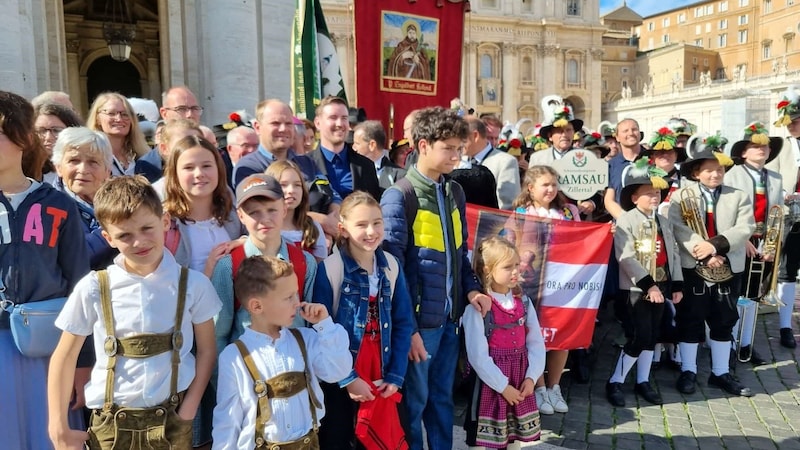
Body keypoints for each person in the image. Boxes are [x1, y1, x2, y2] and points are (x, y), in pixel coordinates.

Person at [47, 175, 221, 450]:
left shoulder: (193, 284)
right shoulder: (95, 286)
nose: (139, 241)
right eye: (125, 235)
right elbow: (64, 355)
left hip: (172, 422)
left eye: (147, 228)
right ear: (108, 238)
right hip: (111, 427)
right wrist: (57, 426)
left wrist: (189, 409)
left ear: (164, 222)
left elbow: (207, 350)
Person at [381, 106, 490, 450]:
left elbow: (460, 254)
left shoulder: (454, 192)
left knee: (442, 400)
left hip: (449, 321)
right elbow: (390, 272)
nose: (457, 156)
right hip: (418, 325)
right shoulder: (400, 196)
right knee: (413, 404)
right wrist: (408, 329)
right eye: (449, 148)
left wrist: (471, 290)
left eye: (460, 148)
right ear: (423, 145)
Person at [0, 90, 89, 450]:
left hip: (52, 350)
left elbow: (81, 287)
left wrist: (82, 364)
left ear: (23, 138)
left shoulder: (58, 206)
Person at [212, 255, 352, 450]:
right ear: (257, 306)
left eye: (296, 293)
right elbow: (227, 424)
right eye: (288, 297)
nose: (297, 302)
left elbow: (339, 371)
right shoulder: (235, 357)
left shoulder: (306, 340)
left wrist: (325, 325)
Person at [314, 191, 414, 449]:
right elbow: (319, 329)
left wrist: (395, 375)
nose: (371, 231)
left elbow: (403, 322)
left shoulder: (391, 266)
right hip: (343, 375)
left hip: (382, 370)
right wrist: (348, 379)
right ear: (343, 229)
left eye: (377, 222)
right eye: (361, 224)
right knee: (341, 437)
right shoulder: (330, 269)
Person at [667, 133, 755, 397]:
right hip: (693, 265)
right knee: (690, 318)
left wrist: (716, 246)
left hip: (728, 264)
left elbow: (746, 227)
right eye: (709, 170)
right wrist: (703, 253)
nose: (715, 175)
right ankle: (688, 369)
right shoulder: (680, 196)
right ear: (696, 172)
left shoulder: (738, 195)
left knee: (723, 318)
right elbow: (677, 228)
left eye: (719, 170)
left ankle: (720, 372)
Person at [606, 159, 683, 408]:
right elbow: (626, 257)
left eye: (657, 192)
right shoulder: (627, 220)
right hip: (637, 288)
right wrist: (648, 285)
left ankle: (643, 380)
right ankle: (615, 380)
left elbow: (673, 254)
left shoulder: (663, 221)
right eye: (649, 193)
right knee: (639, 336)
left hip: (659, 286)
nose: (654, 197)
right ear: (634, 197)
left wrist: (677, 284)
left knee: (653, 336)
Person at [211, 173, 317, 352]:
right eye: (254, 212)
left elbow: (312, 323)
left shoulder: (305, 262)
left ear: (284, 209)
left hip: (297, 368)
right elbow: (217, 334)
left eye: (272, 210)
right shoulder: (228, 266)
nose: (264, 219)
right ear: (241, 216)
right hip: (248, 371)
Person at [508, 165, 579, 415]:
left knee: (562, 333)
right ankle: (537, 386)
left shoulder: (569, 212)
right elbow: (507, 244)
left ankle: (554, 386)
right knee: (533, 335)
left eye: (553, 184)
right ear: (530, 188)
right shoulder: (519, 214)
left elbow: (582, 242)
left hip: (562, 284)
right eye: (544, 185)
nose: (550, 189)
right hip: (531, 285)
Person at [463, 237, 545, 449]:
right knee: (479, 437)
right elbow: (477, 355)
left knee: (514, 435)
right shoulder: (478, 308)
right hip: (488, 381)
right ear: (488, 269)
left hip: (519, 377)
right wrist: (502, 386)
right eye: (508, 267)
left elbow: (536, 342)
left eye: (517, 265)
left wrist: (531, 377)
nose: (516, 271)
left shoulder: (524, 302)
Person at [232, 99, 342, 237]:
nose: (283, 129)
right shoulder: (248, 167)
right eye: (275, 123)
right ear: (257, 127)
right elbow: (257, 212)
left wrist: (334, 213)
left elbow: (330, 192)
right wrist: (321, 221)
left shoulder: (306, 162)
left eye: (288, 123)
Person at [724, 122, 784, 366]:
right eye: (754, 146)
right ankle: (730, 341)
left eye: (765, 146)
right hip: (742, 241)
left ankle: (746, 342)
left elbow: (777, 213)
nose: (761, 149)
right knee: (736, 294)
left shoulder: (776, 178)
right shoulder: (732, 175)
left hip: (765, 242)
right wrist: (744, 239)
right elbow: (728, 213)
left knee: (754, 296)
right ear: (743, 152)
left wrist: (771, 245)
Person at [163, 135, 243, 279]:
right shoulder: (166, 224)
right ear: (175, 174)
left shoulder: (233, 214)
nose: (199, 174)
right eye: (189, 167)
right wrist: (210, 269)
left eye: (206, 166)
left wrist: (245, 243)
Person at [51, 127, 117, 269]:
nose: (83, 169)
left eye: (93, 162)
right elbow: (73, 258)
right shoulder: (48, 207)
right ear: (58, 167)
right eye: (74, 160)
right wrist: (116, 227)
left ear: (107, 170)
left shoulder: (121, 201)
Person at [768, 86, 800, 349]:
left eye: (796, 121)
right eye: (788, 121)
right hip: (791, 215)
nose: (791, 125)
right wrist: (783, 194)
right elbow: (770, 182)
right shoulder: (779, 147)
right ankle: (786, 326)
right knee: (787, 271)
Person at [309, 96, 381, 201]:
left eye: (344, 118)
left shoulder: (366, 166)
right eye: (333, 117)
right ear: (318, 123)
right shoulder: (305, 165)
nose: (339, 124)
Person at [265, 160, 328, 260]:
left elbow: (320, 268)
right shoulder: (264, 227)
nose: (291, 190)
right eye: (283, 185)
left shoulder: (312, 228)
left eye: (297, 185)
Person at [461, 116, 520, 210]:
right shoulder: (459, 160)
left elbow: (508, 205)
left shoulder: (505, 162)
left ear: (476, 136)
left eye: (462, 138)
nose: (459, 143)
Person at [86, 93, 151, 177]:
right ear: (97, 118)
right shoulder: (90, 156)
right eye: (111, 113)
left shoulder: (143, 155)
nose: (119, 119)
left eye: (125, 114)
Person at [34, 102, 84, 185]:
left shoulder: (84, 167)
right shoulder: (23, 170)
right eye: (41, 131)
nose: (48, 137)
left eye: (56, 130)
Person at [352, 120, 406, 194]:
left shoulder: (399, 176)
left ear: (372, 145)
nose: (353, 148)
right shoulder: (352, 170)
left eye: (357, 144)